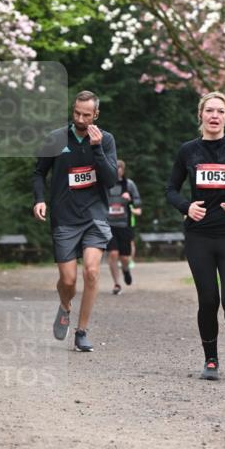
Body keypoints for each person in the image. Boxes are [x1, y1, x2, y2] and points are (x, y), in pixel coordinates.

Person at [166, 91, 225, 380]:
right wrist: (186, 206)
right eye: (210, 111)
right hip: (199, 236)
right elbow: (171, 189)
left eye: (220, 111)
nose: (215, 116)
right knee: (208, 300)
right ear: (201, 115)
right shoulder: (188, 151)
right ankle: (210, 360)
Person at [33, 90, 117, 352]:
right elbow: (38, 173)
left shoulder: (105, 140)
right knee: (68, 281)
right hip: (64, 216)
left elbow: (111, 179)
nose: (81, 119)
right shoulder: (56, 138)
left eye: (86, 114)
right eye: (76, 113)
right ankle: (65, 306)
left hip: (95, 215)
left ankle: (82, 331)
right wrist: (39, 199)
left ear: (96, 114)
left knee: (91, 271)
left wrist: (97, 149)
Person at [107, 159, 142, 294]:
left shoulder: (129, 184)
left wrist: (131, 199)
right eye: (115, 168)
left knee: (125, 257)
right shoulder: (106, 184)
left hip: (124, 224)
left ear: (123, 170)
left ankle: (126, 270)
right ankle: (117, 284)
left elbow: (138, 202)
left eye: (120, 168)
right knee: (113, 254)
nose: (117, 170)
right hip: (109, 224)